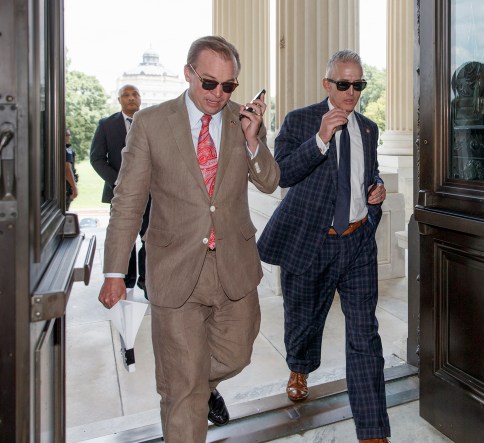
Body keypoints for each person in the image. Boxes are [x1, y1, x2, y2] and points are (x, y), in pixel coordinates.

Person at [97, 36, 279, 443]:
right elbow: (128, 201)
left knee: (237, 353)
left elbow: (269, 181)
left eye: (228, 86)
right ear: (188, 73)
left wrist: (253, 141)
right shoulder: (150, 123)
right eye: (209, 83)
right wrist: (113, 271)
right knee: (182, 391)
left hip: (233, 266)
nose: (218, 95)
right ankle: (185, 388)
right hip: (175, 268)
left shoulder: (242, 119)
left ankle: (198, 382)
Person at [257, 49, 390, 443]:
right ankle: (299, 366)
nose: (352, 93)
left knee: (364, 333)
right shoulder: (299, 121)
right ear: (327, 84)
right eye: (344, 84)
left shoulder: (368, 128)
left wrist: (375, 190)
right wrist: (320, 138)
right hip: (310, 241)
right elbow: (284, 175)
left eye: (359, 85)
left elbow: (367, 173)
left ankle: (372, 430)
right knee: (303, 317)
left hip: (357, 241)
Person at [90, 84, 152, 297]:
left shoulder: (151, 122)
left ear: (140, 98)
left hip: (151, 194)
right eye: (126, 95)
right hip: (120, 194)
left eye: (135, 93)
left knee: (149, 238)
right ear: (119, 101)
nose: (131, 98)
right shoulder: (107, 125)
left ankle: (147, 281)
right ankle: (126, 282)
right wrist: (121, 182)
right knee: (124, 236)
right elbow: (97, 159)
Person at [64, 128, 78, 210]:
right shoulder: (66, 150)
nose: (69, 137)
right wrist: (74, 188)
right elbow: (67, 170)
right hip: (65, 189)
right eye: (67, 135)